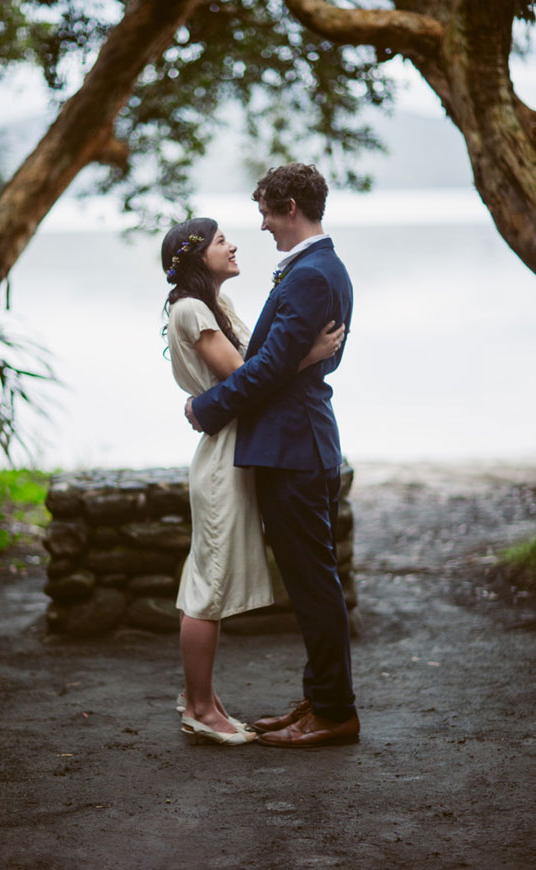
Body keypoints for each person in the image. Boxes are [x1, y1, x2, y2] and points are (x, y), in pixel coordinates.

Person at [185, 163, 360, 748]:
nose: (260, 226)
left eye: (264, 212)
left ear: (289, 206)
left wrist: (205, 410)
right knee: (313, 581)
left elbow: (266, 369)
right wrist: (297, 360)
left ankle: (334, 713)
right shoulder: (313, 268)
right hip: (292, 443)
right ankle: (321, 698)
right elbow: (283, 361)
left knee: (314, 584)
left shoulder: (312, 273)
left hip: (296, 447)